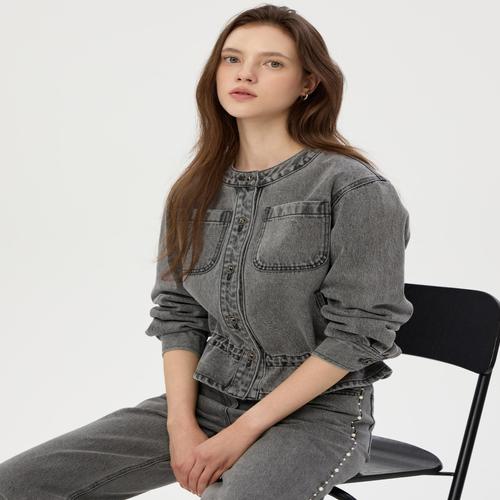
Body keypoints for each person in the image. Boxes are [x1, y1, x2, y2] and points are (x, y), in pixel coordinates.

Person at [0, 4, 414, 499]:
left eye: (272, 62)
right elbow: (179, 313)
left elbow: (360, 333)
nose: (245, 74)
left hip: (319, 416)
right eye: (232, 59)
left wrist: (242, 433)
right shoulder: (195, 190)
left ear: (308, 83)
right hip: (206, 400)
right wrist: (181, 427)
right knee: (16, 485)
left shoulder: (354, 189)